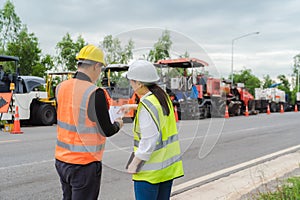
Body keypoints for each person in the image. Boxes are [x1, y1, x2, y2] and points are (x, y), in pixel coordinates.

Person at [55, 44, 123, 200]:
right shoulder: (95, 92)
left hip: (62, 161)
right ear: (96, 66)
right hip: (84, 164)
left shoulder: (60, 88)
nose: (99, 73)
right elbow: (107, 130)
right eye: (100, 69)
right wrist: (119, 123)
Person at [120, 60, 184, 200]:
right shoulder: (162, 97)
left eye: (131, 80)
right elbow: (156, 113)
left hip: (149, 173)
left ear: (139, 83)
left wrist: (134, 164)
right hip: (166, 170)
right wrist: (133, 107)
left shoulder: (147, 106)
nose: (130, 84)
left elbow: (149, 140)